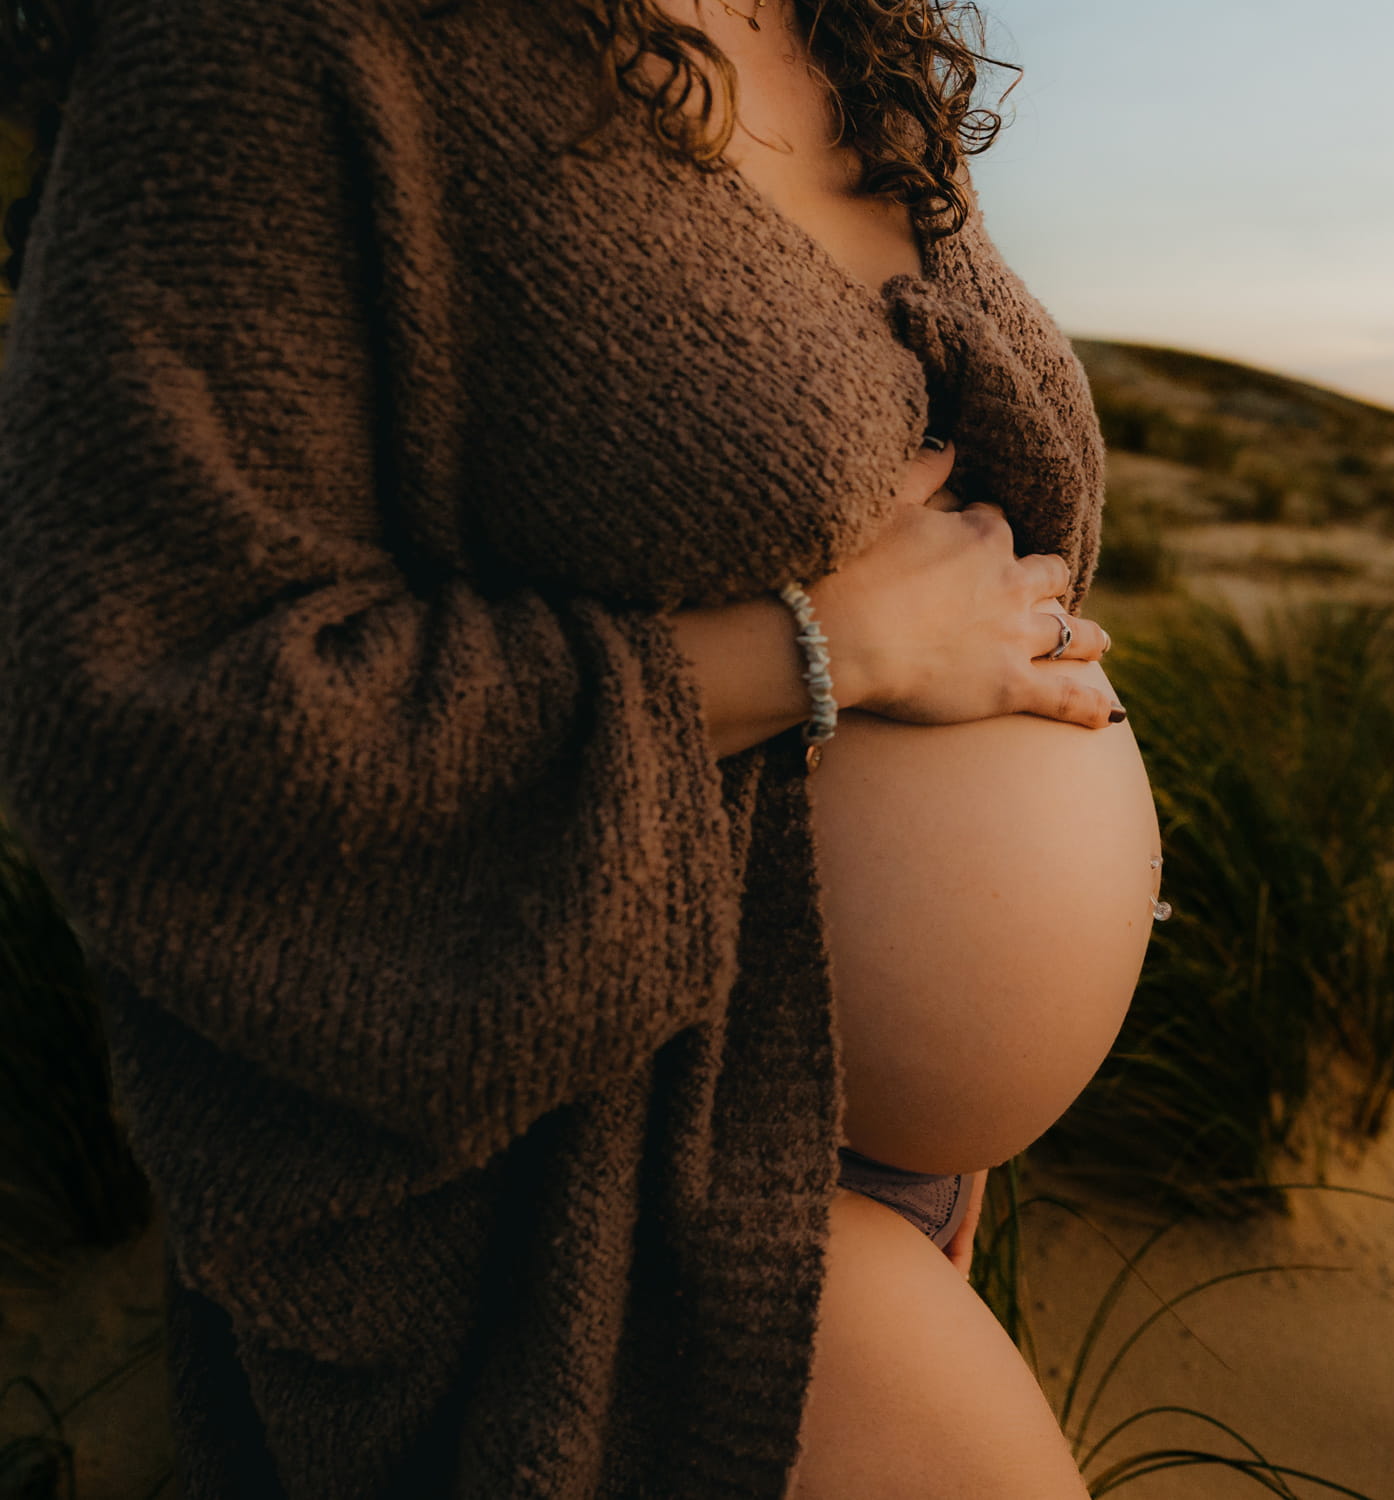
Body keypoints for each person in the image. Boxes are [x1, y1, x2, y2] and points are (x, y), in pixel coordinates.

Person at [0, 0, 1154, 1493]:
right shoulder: (268, 40)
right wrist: (821, 651)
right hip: (602, 1181)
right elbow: (145, 715)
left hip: (864, 1130)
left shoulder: (841, 33)